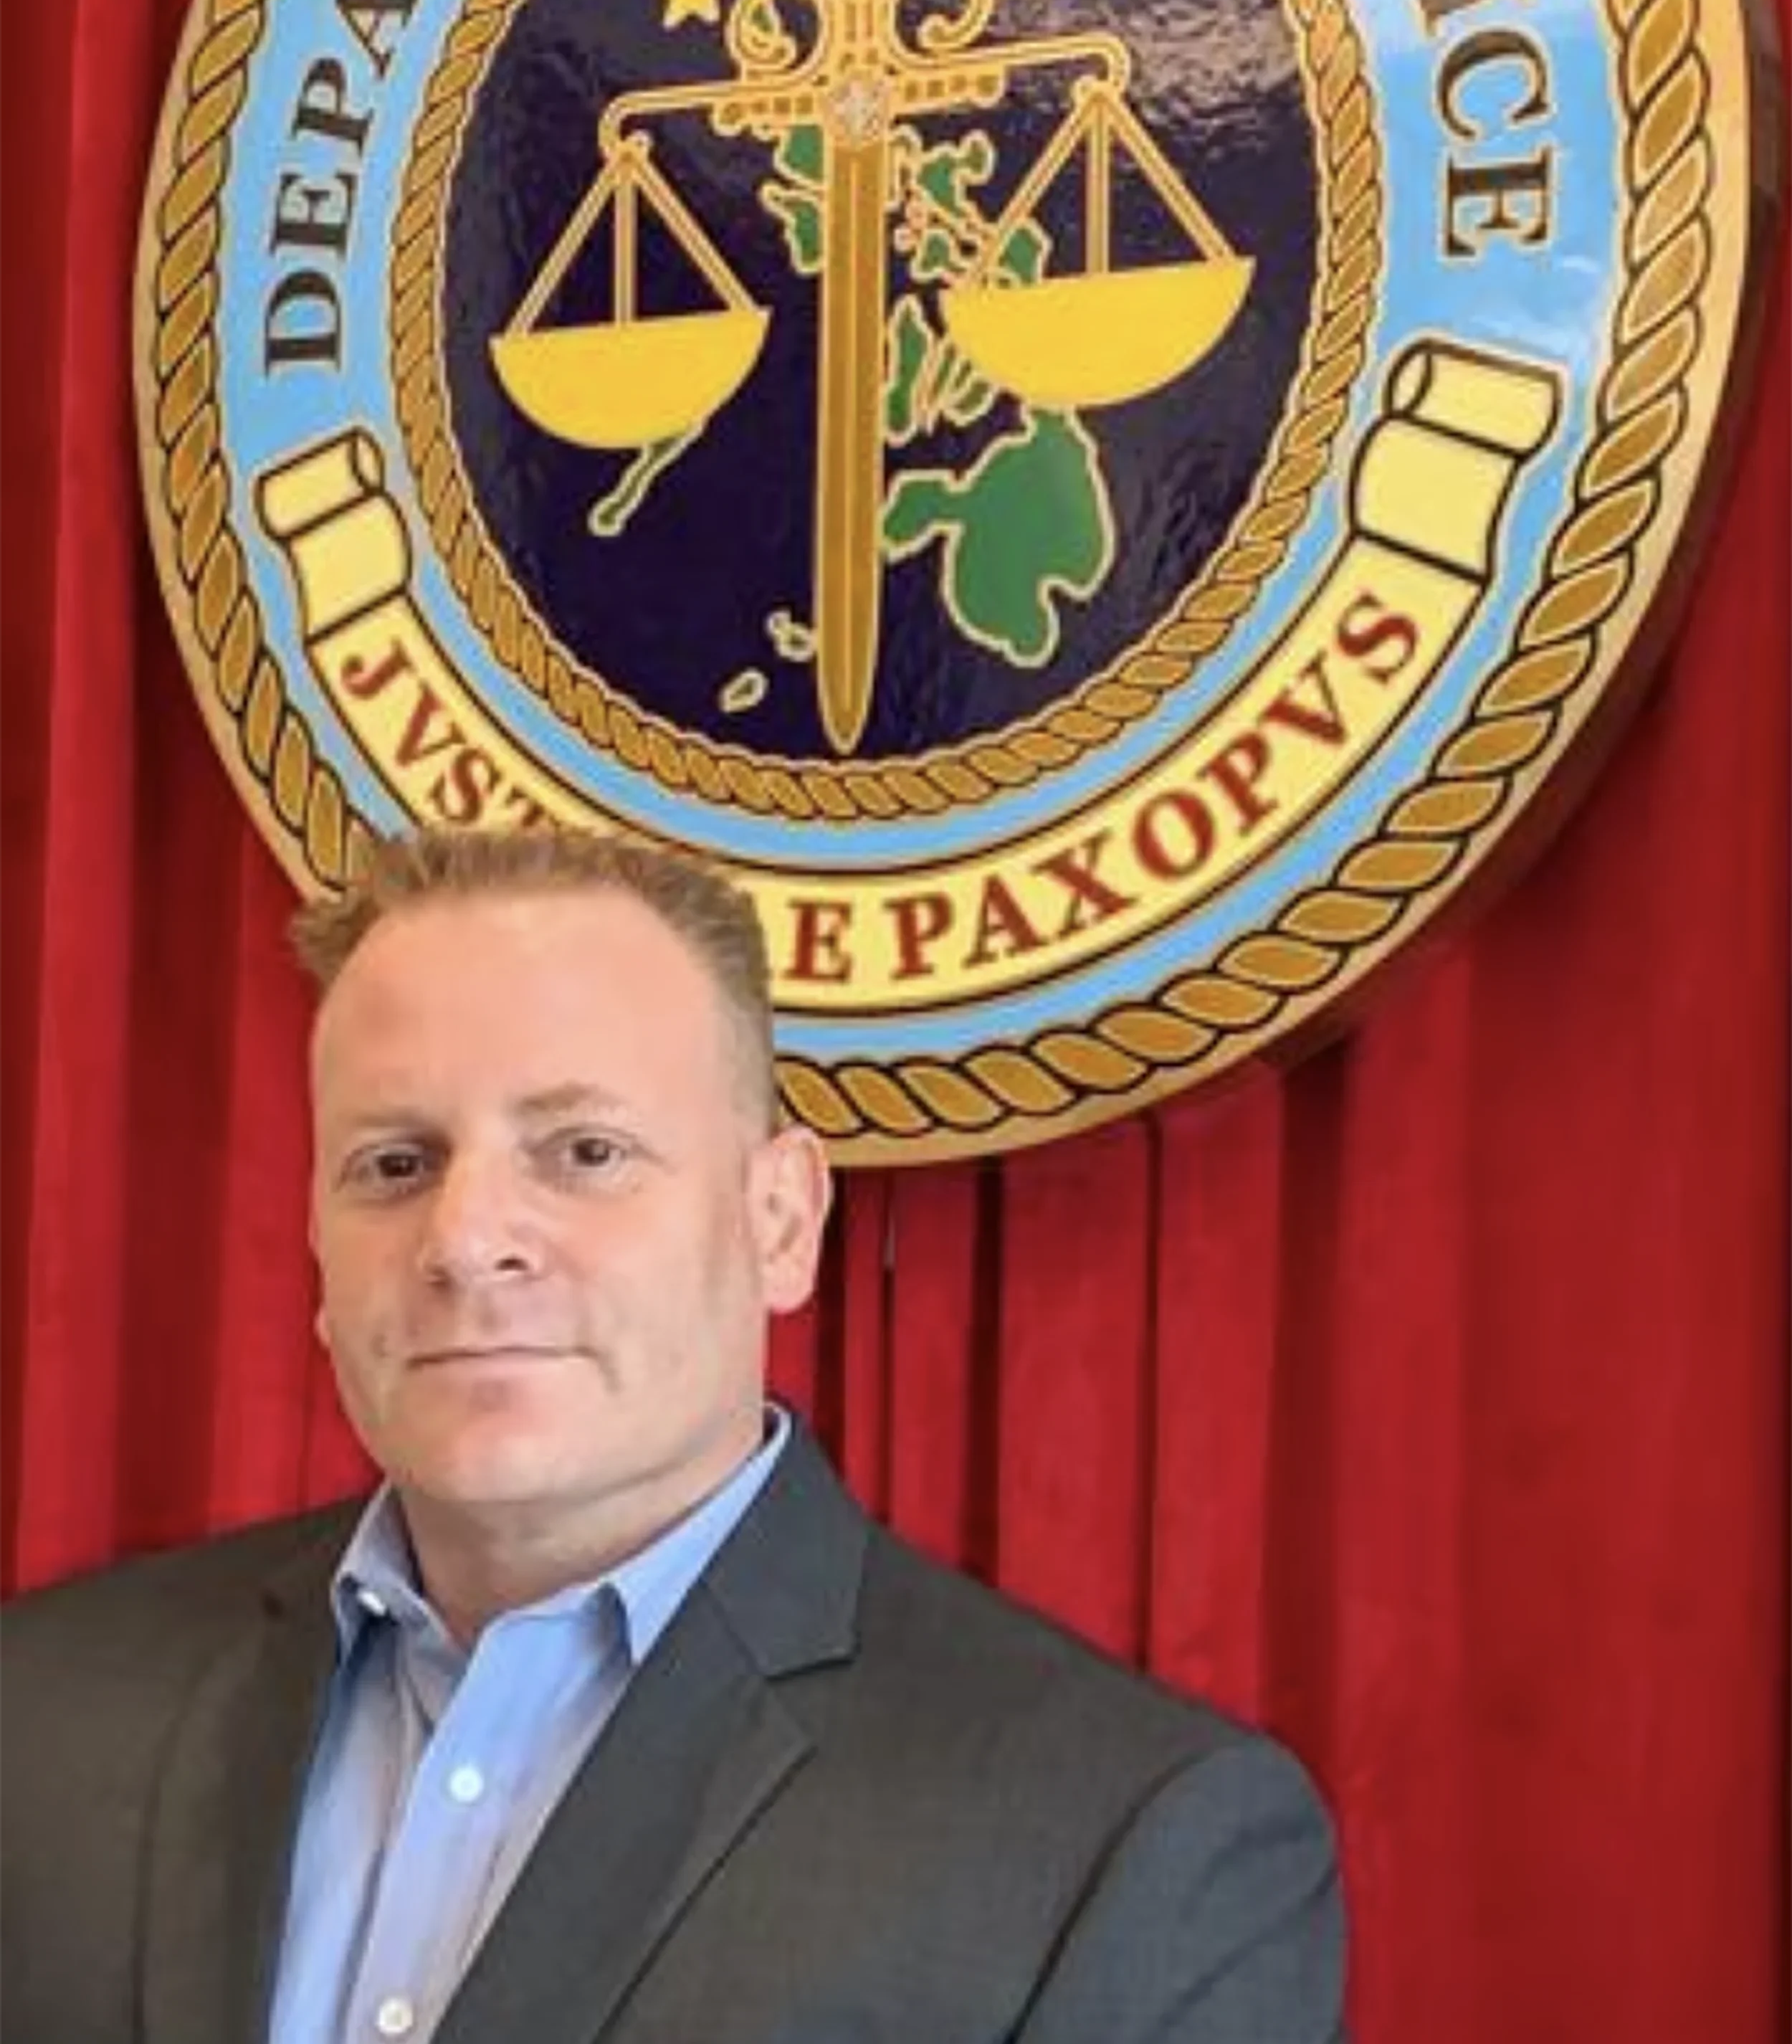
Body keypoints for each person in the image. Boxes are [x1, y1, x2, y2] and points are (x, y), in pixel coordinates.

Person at [0, 825, 1348, 2043]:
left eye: (583, 1151)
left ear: (778, 1220)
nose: (466, 1240)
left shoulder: (1123, 1846)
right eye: (395, 1164)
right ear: (314, 1238)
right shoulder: (40, 1710)